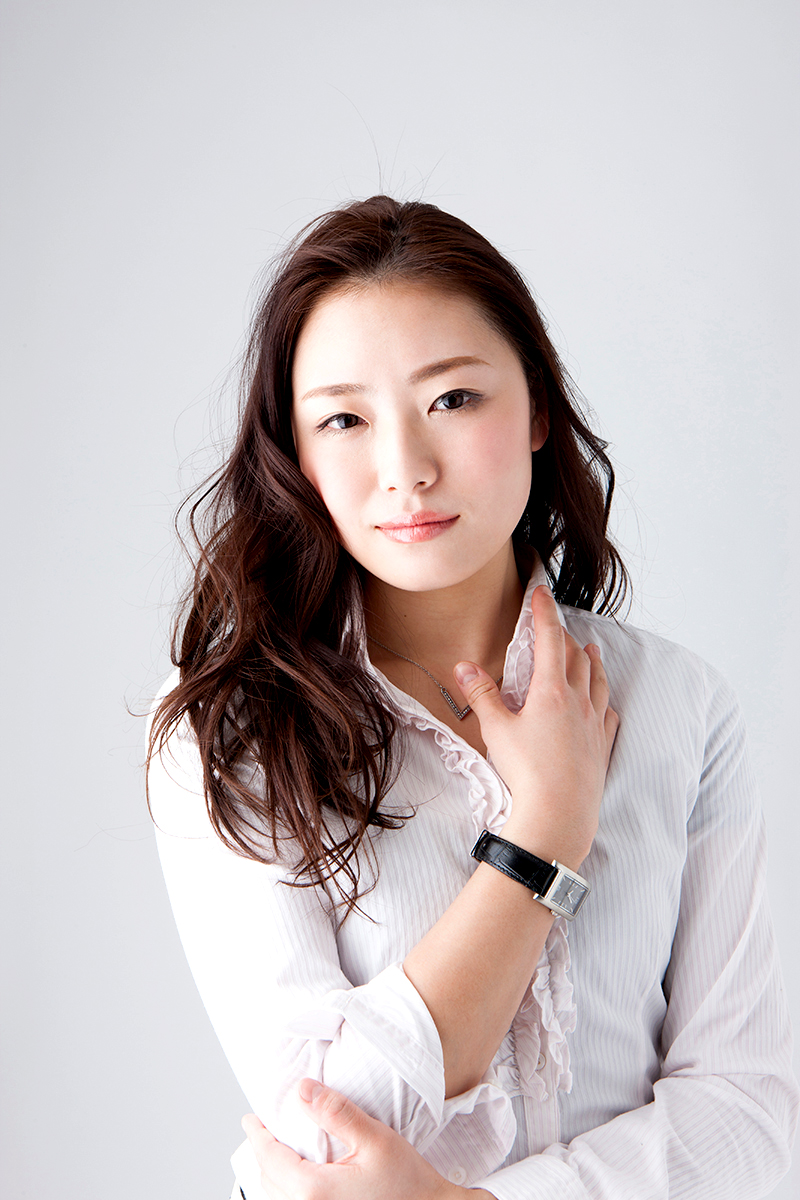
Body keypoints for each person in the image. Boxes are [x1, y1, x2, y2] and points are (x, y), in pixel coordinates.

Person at [147, 195, 798, 1200]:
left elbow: (752, 1120)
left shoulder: (676, 704)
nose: (405, 470)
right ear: (296, 453)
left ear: (536, 408)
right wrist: (544, 833)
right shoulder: (226, 730)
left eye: (452, 399)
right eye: (344, 419)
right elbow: (316, 1133)